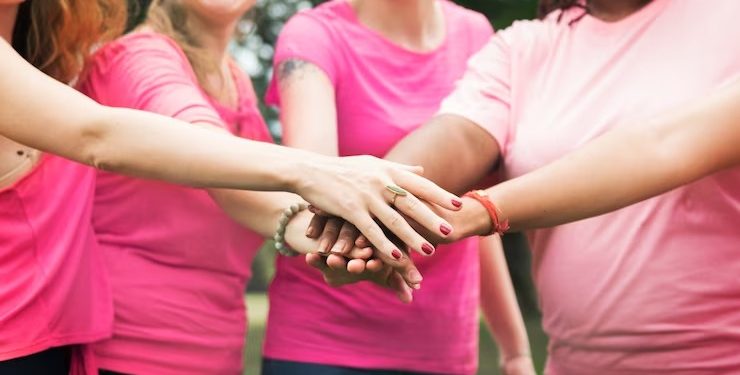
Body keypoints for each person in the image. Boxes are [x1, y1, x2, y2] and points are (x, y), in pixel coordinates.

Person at [0, 1, 459, 373]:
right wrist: (316, 173)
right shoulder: (139, 58)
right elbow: (118, 138)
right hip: (124, 349)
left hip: (176, 346)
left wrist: (335, 241)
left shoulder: (232, 79)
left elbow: (248, 199)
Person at [309, 0, 740, 373]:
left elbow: (664, 148)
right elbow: (459, 136)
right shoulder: (524, 47)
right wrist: (361, 220)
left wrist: (479, 212)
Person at [263, 1, 535, 374]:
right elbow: (314, 183)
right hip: (323, 345)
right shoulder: (313, 34)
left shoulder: (475, 34)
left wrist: (515, 348)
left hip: (442, 346)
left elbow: (467, 211)